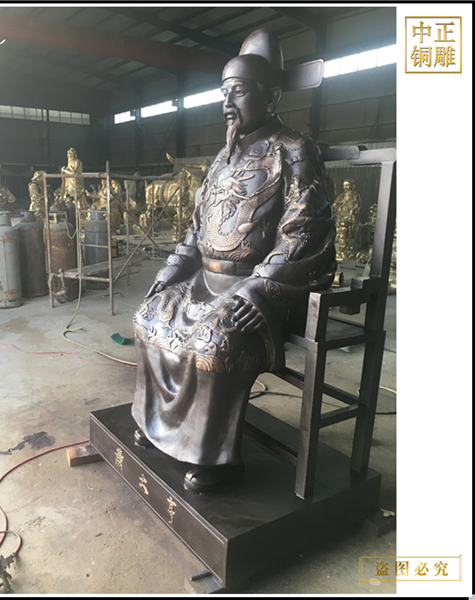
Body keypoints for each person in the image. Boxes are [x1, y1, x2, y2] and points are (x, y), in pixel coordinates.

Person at [131, 28, 337, 494]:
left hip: (259, 287)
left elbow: (304, 232)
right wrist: (168, 274)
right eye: (224, 92)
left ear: (271, 96)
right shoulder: (222, 159)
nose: (227, 103)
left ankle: (215, 457)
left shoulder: (294, 150)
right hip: (204, 280)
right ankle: (155, 427)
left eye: (238, 91)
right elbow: (196, 231)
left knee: (213, 341)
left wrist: (258, 289)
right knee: (149, 316)